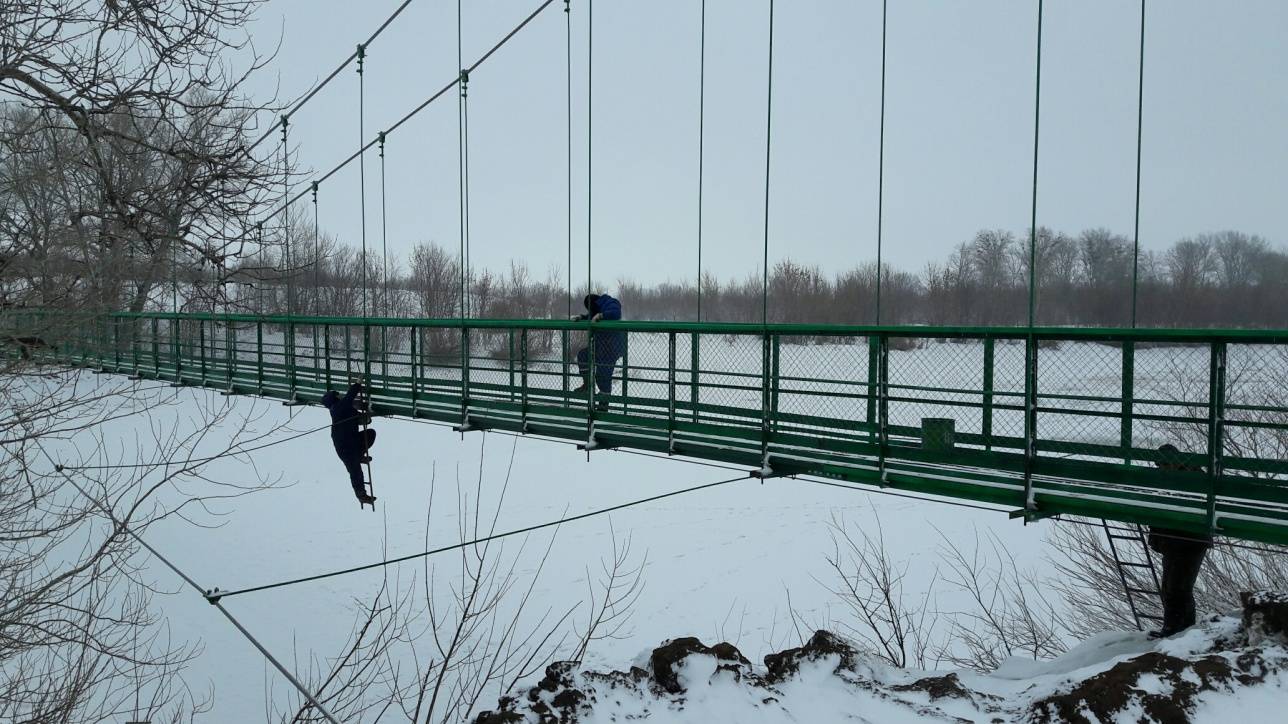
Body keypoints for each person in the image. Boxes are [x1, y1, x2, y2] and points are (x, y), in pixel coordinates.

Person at [1147, 443, 1212, 637]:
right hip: (1174, 539)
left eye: (1165, 464)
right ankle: (1180, 629)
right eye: (1160, 466)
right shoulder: (1175, 477)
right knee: (1171, 586)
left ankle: (1175, 629)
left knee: (1178, 587)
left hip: (1190, 540)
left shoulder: (1192, 477)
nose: (1162, 469)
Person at [321, 381, 377, 505]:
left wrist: (364, 417)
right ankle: (361, 495)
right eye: (337, 396)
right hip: (345, 448)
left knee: (370, 434)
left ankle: (360, 455)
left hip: (352, 439)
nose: (339, 397)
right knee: (355, 470)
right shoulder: (339, 407)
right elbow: (350, 395)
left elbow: (353, 417)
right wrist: (357, 383)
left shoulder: (340, 409)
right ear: (334, 399)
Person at [571, 293, 624, 410]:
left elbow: (615, 313)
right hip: (600, 346)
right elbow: (592, 315)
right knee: (583, 355)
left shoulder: (610, 302)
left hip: (612, 348)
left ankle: (604, 404)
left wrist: (601, 316)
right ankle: (587, 385)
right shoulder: (598, 307)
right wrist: (582, 318)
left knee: (603, 374)